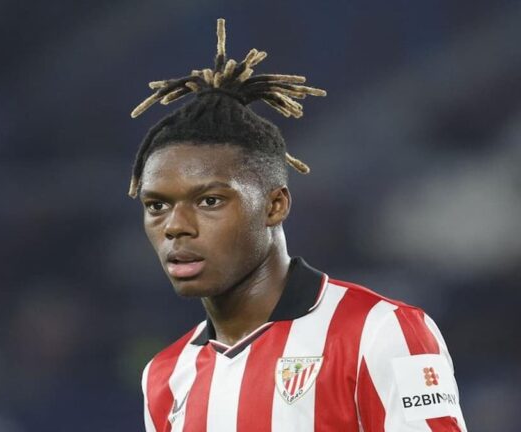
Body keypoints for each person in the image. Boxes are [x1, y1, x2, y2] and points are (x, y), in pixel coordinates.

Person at [128, 18, 467, 432]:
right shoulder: (164, 376)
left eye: (210, 200)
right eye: (157, 205)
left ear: (274, 206)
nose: (176, 226)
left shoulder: (378, 331)